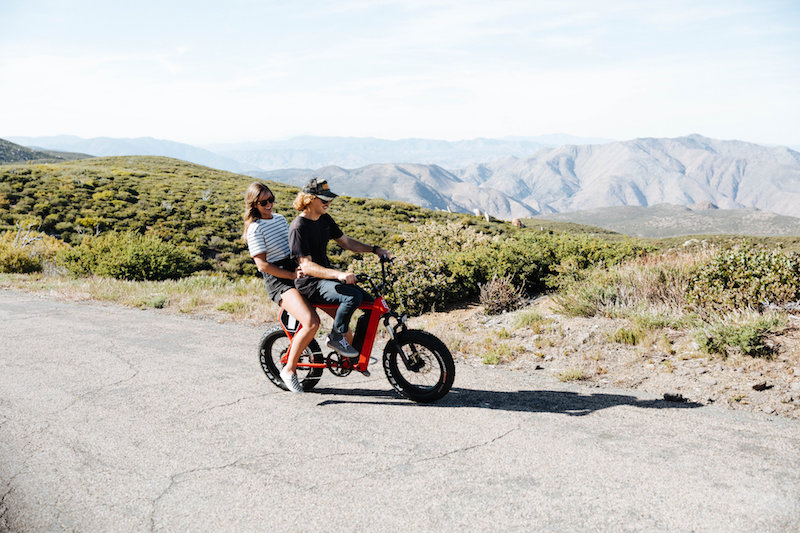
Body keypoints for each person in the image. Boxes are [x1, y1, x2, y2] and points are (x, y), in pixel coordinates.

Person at [289, 178, 390, 358]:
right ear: (310, 199)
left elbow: (346, 242)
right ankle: (336, 337)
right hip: (310, 284)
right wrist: (338, 275)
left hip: (325, 280)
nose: (328, 203)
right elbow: (306, 266)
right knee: (353, 296)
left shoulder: (324, 219)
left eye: (329, 199)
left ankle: (357, 354)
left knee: (371, 304)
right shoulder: (299, 227)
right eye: (324, 199)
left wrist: (375, 250)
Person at [243, 182, 319, 394]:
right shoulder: (255, 229)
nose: (269, 205)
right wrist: (291, 275)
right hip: (278, 279)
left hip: (295, 270)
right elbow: (263, 265)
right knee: (312, 321)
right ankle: (289, 370)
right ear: (254, 205)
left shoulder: (280, 219)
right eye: (263, 202)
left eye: (271, 199)